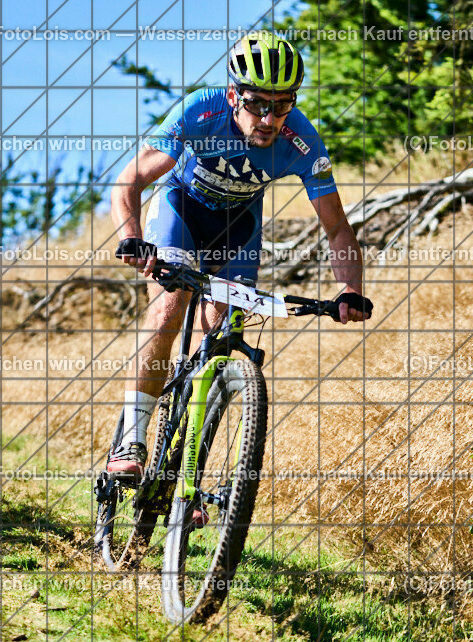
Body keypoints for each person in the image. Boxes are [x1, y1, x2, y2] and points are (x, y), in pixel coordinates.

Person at [107, 31, 373, 485]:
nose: (269, 119)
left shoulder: (302, 140)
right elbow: (128, 180)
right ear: (234, 95)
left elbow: (337, 227)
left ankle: (182, 476)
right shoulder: (200, 110)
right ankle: (130, 439)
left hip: (238, 230)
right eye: (257, 104)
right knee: (168, 306)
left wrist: (351, 290)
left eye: (282, 104)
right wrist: (133, 239)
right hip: (181, 212)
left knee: (217, 342)